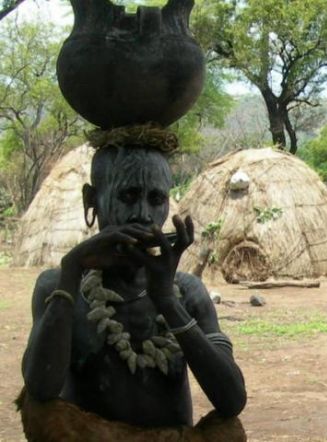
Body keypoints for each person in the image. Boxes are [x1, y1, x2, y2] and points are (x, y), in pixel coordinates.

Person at [19, 146, 247, 440]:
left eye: (156, 199)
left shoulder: (186, 291)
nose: (143, 214)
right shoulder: (59, 286)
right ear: (92, 200)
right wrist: (72, 271)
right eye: (128, 196)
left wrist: (166, 300)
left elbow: (232, 400)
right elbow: (39, 389)